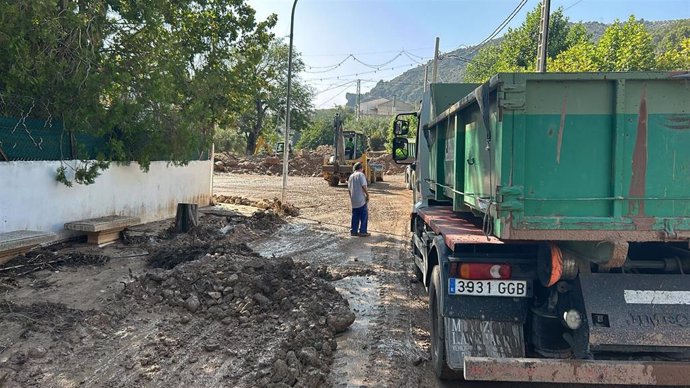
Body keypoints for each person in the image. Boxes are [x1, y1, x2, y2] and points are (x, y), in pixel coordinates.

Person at [347, 162, 370, 237]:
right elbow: (363, 186)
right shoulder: (361, 175)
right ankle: (363, 231)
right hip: (361, 199)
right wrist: (367, 195)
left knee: (355, 216)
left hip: (354, 200)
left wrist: (351, 198)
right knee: (364, 215)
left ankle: (354, 231)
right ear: (361, 168)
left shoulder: (351, 176)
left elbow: (349, 190)